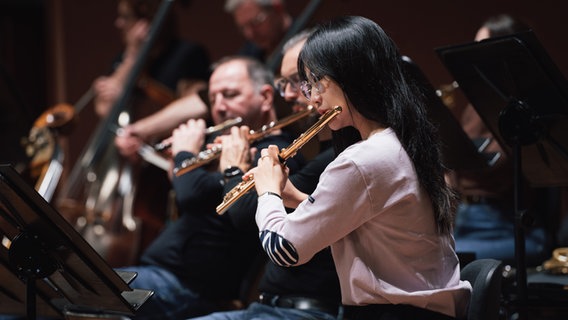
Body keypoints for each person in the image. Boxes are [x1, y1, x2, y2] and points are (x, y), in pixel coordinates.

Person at [249, 16, 471, 319]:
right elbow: (372, 224)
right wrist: (294, 197)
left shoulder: (362, 161)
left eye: (317, 82)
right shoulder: (403, 141)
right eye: (308, 85)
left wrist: (267, 193)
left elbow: (285, 249)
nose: (313, 98)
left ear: (350, 75)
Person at [120, 56, 303, 320]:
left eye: (229, 95)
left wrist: (184, 154)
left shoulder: (277, 152)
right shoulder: (228, 147)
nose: (219, 107)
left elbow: (191, 195)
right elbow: (196, 190)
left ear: (265, 97)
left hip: (193, 289)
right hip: (162, 274)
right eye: (213, 99)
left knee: (76, 294)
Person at [190, 30, 348, 320]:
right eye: (285, 83)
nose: (288, 94)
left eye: (302, 80)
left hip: (307, 311)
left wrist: (234, 168)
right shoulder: (322, 155)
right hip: (269, 306)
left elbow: (252, 222)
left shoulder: (341, 160)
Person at [447, 13, 548, 266]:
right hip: (465, 217)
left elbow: (492, 169)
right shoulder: (476, 103)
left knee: (438, 261)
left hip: (502, 225)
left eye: (480, 49)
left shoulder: (524, 106)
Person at [224, 0, 292, 65]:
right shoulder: (247, 58)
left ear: (278, 8)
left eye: (255, 22)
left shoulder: (302, 41)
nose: (249, 34)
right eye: (243, 28)